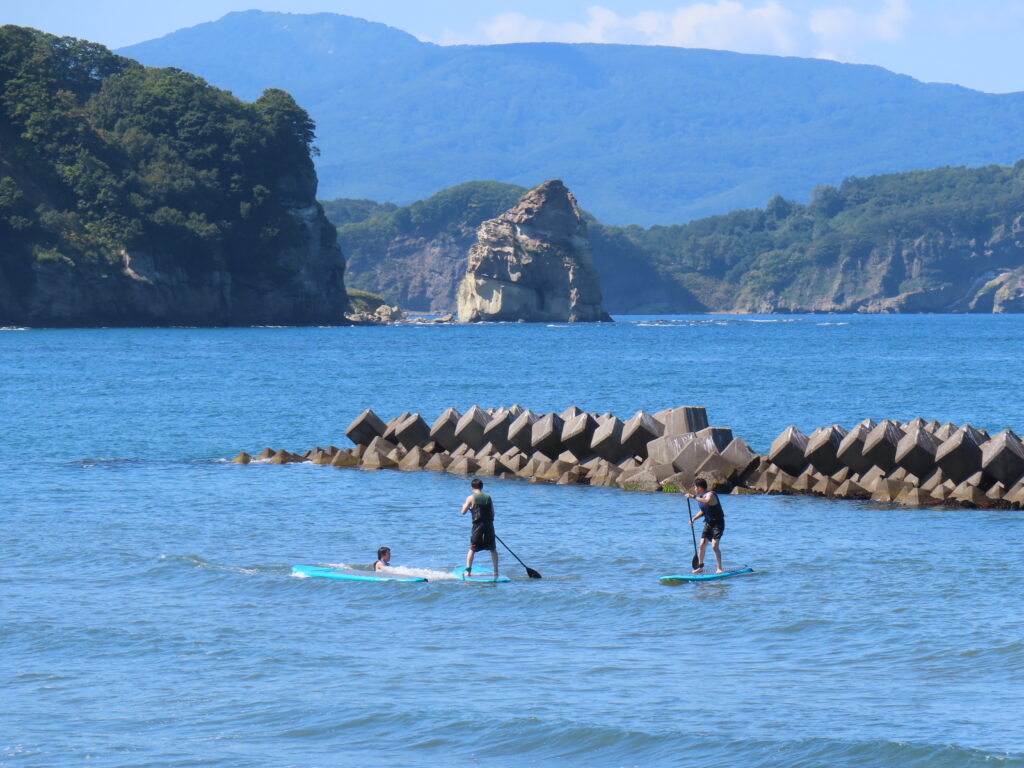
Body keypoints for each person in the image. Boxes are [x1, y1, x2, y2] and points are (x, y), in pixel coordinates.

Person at [459, 478, 499, 579]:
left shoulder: (470, 498)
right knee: (493, 549)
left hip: (478, 526)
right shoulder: (488, 497)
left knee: (472, 548)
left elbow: (462, 512)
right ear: (481, 487)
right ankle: (496, 572)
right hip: (489, 524)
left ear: (472, 487)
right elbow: (492, 513)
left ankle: (468, 572)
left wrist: (465, 506)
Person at [685, 478, 725, 574]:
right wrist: (693, 519)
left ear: (699, 487)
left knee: (714, 546)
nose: (694, 489)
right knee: (702, 544)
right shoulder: (701, 497)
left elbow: (706, 501)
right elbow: (703, 511)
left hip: (718, 523)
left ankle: (720, 568)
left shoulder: (710, 494)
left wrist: (693, 496)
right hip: (708, 523)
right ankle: (700, 567)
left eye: (695, 487)